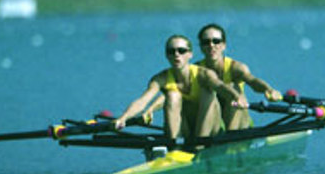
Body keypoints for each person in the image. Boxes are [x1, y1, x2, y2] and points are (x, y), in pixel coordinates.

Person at [143, 24, 282, 130]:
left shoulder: (236, 68)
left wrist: (268, 89)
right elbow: (172, 92)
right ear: (201, 47)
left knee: (232, 87)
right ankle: (186, 144)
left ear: (224, 45)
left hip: (238, 124)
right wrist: (151, 109)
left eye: (216, 41)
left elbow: (253, 81)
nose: (211, 45)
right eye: (206, 42)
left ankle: (230, 140)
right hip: (214, 126)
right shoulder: (196, 70)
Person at [114, 34, 247, 140]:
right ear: (167, 55)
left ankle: (199, 146)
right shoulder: (161, 78)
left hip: (210, 130)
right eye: (172, 51)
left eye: (181, 51)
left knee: (207, 94)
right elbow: (143, 101)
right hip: (184, 130)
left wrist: (236, 97)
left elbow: (220, 86)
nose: (176, 54)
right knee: (172, 95)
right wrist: (123, 118)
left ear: (190, 54)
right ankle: (175, 147)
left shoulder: (203, 74)